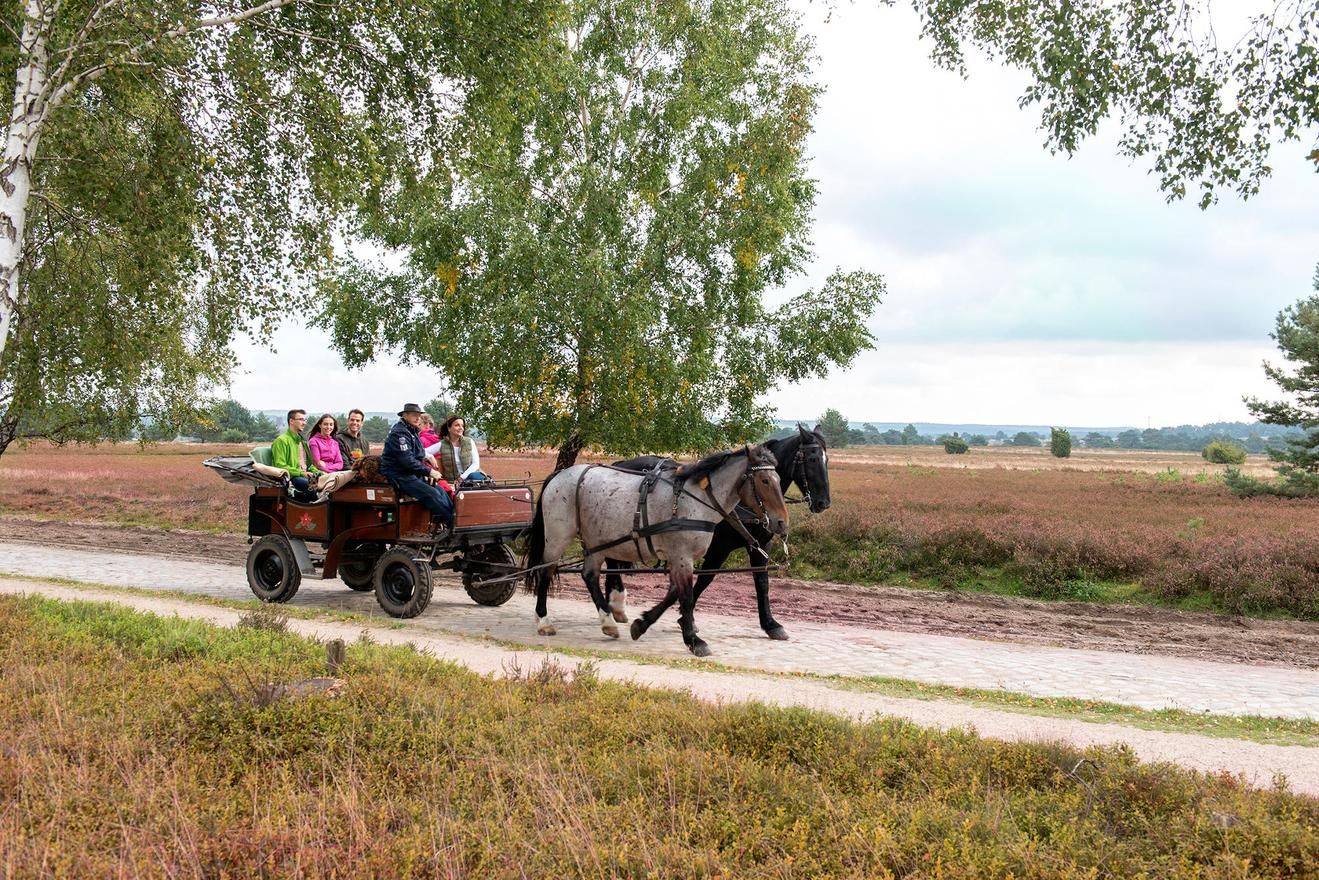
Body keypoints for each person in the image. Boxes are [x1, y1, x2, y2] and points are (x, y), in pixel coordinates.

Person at [381, 403, 454, 528]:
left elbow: (419, 455)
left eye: (419, 416)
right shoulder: (399, 434)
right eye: (414, 415)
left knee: (441, 491)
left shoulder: (412, 432)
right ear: (405, 415)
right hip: (399, 474)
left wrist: (425, 472)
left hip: (411, 473)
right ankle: (452, 526)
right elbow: (406, 461)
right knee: (433, 495)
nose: (417, 418)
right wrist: (428, 472)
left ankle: (451, 521)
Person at [270, 409, 321, 502]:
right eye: (301, 419)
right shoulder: (281, 441)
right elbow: (280, 466)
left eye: (305, 420)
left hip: (306, 476)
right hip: (293, 478)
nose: (304, 423)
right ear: (291, 421)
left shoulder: (302, 441)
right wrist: (302, 473)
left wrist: (323, 474)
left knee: (328, 484)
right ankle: (305, 508)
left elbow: (309, 466)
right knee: (313, 486)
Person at [436, 414, 489, 483]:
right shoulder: (442, 444)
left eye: (462, 425)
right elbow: (424, 452)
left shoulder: (469, 441)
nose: (461, 428)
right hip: (452, 482)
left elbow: (476, 464)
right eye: (457, 425)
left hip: (471, 478)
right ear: (449, 428)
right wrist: (430, 457)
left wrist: (462, 477)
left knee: (473, 476)